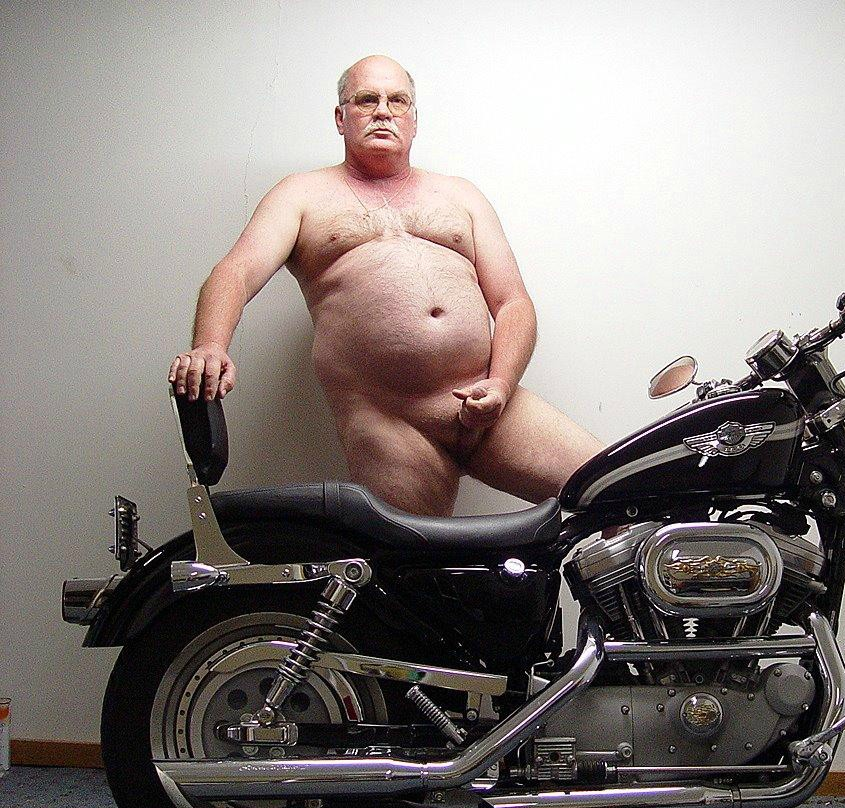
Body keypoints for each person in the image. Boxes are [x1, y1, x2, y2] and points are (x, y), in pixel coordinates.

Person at [168, 55, 601, 515]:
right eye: (366, 100)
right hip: (390, 422)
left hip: (489, 401)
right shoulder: (301, 194)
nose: (382, 111)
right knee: (410, 561)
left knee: (619, 490)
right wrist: (210, 345)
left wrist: (501, 384)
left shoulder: (460, 194)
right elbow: (234, 273)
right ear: (341, 118)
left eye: (397, 101)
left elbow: (513, 303)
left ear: (414, 120)